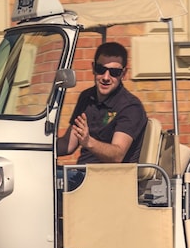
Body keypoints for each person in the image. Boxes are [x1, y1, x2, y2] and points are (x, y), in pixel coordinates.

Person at [57, 42, 147, 187]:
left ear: (123, 74)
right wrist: (38, 147)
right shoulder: (87, 97)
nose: (106, 77)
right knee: (40, 174)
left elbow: (117, 155)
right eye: (101, 69)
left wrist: (88, 142)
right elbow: (68, 144)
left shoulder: (130, 107)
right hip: (82, 176)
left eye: (114, 72)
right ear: (93, 68)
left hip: (110, 182)